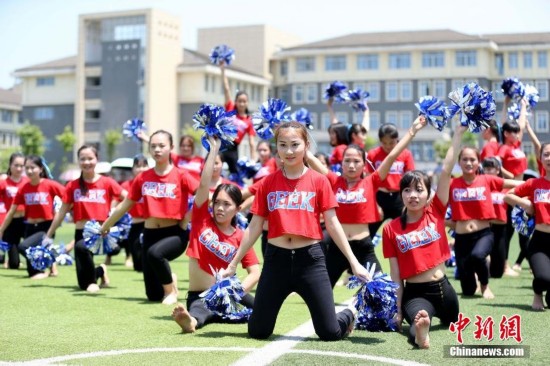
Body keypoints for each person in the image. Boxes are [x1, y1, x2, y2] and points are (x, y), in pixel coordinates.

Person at [221, 121, 370, 341]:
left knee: (329, 333)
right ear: (276, 148)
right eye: (282, 145)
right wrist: (233, 264)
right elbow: (253, 227)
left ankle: (347, 315)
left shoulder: (319, 181)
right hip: (275, 261)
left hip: (310, 261)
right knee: (258, 331)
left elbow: (332, 223)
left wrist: (354, 262)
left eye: (294, 144)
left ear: (306, 145)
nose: (289, 151)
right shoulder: (266, 183)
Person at [306, 116, 427, 287]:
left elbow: (393, 155)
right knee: (320, 290)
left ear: (364, 164)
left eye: (356, 161)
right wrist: (292, 134)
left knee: (380, 289)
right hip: (338, 247)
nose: (352, 165)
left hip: (363, 247)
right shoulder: (333, 180)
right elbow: (310, 159)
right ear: (341, 164)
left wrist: (413, 131)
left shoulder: (372, 181)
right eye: (347, 161)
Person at [382, 123, 465, 349]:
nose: (413, 195)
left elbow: (446, 170)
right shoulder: (391, 229)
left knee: (453, 323)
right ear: (401, 194)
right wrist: (397, 311)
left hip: (445, 289)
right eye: (407, 190)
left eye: (419, 190)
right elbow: (396, 275)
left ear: (428, 194)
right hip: (417, 294)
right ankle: (420, 335)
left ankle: (430, 322)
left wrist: (458, 134)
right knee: (418, 319)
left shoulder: (436, 210)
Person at [172, 136, 260, 332]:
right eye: (217, 202)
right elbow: (203, 186)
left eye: (226, 204)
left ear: (238, 209)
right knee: (199, 312)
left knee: (261, 312)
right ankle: (191, 322)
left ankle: (223, 312)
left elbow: (255, 272)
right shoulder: (201, 219)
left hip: (228, 295)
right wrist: (213, 150)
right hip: (201, 295)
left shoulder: (240, 235)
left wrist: (235, 293)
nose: (220, 208)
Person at [101, 130, 198, 304]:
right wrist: (106, 225)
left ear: (171, 148)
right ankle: (170, 280)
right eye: (153, 146)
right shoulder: (143, 178)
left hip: (175, 233)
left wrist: (186, 219)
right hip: (150, 234)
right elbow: (125, 204)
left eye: (162, 146)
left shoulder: (181, 175)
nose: (157, 149)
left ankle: (171, 292)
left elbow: (202, 196)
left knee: (155, 254)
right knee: (152, 295)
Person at [45, 145, 126, 293]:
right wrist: (49, 235)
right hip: (80, 232)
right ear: (78, 161)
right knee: (82, 284)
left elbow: (128, 198)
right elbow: (62, 212)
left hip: (100, 232)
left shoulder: (107, 182)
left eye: (90, 158)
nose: (87, 162)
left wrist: (115, 213)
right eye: (83, 159)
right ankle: (100, 271)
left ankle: (93, 283)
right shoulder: (72, 186)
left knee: (81, 248)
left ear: (97, 160)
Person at [449, 146, 522, 299]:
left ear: (478, 163)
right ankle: (473, 284)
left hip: (483, 234)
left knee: (478, 256)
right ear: (459, 162)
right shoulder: (452, 184)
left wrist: (537, 184)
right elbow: (436, 203)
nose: (469, 163)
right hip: (461, 238)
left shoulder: (486, 180)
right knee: (468, 290)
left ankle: (484, 286)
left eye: (472, 159)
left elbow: (514, 183)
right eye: (465, 159)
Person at [0, 156, 65, 278]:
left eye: (33, 168)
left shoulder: (50, 185)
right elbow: (11, 211)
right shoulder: (24, 188)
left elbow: (68, 197)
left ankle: (44, 268)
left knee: (24, 246)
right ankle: (46, 265)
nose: (29, 171)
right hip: (29, 227)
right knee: (31, 271)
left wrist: (60, 214)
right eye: (27, 168)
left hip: (46, 226)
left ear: (40, 169)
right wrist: (1, 229)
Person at [504, 142, 550, 310]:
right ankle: (538, 293)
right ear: (540, 158)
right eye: (546, 154)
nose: (549, 158)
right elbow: (507, 196)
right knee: (544, 278)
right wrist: (525, 203)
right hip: (540, 242)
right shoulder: (534, 183)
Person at [367, 123, 415, 236]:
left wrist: (406, 202)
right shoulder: (373, 154)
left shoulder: (405, 154)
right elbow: (368, 182)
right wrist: (374, 204)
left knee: (405, 232)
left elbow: (410, 179)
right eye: (384, 143)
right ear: (380, 141)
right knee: (368, 233)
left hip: (398, 198)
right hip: (379, 197)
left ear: (397, 140)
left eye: (391, 143)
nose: (388, 146)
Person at [481, 157, 517, 278]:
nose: (487, 171)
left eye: (490, 168)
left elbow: (513, 179)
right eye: (485, 168)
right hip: (486, 227)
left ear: (497, 170)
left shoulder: (505, 187)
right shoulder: (481, 185)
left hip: (501, 229)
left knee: (497, 273)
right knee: (480, 254)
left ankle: (496, 267)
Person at [220, 62, 257, 174]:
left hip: (233, 149)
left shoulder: (249, 121)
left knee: (235, 174)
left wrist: (253, 159)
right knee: (210, 165)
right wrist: (222, 69)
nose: (241, 104)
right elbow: (226, 89)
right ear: (235, 101)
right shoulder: (230, 108)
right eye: (239, 101)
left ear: (247, 103)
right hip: (221, 143)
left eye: (244, 101)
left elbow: (251, 142)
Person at [118, 154, 150, 271]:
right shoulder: (126, 185)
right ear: (133, 169)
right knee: (138, 265)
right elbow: (117, 203)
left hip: (149, 224)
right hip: (134, 224)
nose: (141, 169)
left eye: (144, 166)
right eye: (138, 166)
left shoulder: (152, 184)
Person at [0, 152, 29, 269]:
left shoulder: (28, 181)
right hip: (11, 222)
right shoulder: (3, 183)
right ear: (10, 165)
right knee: (14, 264)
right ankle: (11, 260)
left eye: (21, 166)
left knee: (31, 248)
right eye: (16, 165)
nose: (18, 168)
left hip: (27, 221)